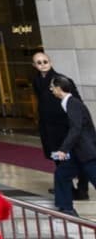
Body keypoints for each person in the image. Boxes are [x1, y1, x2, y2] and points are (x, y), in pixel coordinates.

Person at [32, 51, 87, 202]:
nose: (43, 65)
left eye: (45, 61)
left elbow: (76, 102)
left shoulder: (61, 80)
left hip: (64, 126)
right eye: (39, 62)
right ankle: (67, 188)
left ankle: (82, 190)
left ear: (50, 62)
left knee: (77, 158)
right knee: (58, 158)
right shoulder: (36, 81)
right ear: (34, 65)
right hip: (48, 127)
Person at [47, 74, 96, 215]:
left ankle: (66, 207)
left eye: (52, 87)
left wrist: (63, 149)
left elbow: (76, 128)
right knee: (61, 174)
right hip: (79, 151)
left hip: (87, 151)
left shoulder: (73, 103)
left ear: (59, 88)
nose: (51, 90)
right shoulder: (68, 103)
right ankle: (66, 207)